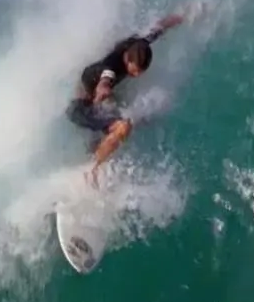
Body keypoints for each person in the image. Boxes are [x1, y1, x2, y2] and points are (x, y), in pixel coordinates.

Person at [67, 12, 186, 188]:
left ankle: (94, 153)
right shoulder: (111, 68)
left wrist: (180, 17)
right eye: (134, 71)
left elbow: (157, 29)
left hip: (94, 99)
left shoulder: (139, 46)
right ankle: (90, 169)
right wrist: (103, 88)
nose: (136, 76)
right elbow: (106, 76)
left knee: (138, 120)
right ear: (127, 59)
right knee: (123, 127)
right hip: (80, 108)